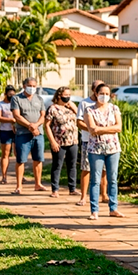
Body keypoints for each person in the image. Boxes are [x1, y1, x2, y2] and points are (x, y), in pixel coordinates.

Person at [84, 83, 124, 220]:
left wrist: (100, 129)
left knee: (112, 178)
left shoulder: (114, 108)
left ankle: (113, 208)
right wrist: (109, 128)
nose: (104, 96)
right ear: (96, 94)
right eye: (102, 93)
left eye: (107, 94)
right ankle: (94, 210)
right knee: (95, 179)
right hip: (95, 149)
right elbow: (91, 129)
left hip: (113, 148)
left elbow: (119, 127)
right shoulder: (89, 110)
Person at [10, 77, 49, 194]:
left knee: (38, 159)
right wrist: (30, 126)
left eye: (34, 86)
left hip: (38, 134)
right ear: (24, 86)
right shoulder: (16, 98)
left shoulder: (39, 99)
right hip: (23, 133)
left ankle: (38, 184)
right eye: (30, 86)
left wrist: (36, 126)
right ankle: (19, 186)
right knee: (21, 160)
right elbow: (17, 116)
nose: (32, 88)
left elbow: (43, 115)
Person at [77, 80, 107, 206]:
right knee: (86, 168)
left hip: (105, 141)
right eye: (99, 90)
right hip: (88, 140)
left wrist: (102, 130)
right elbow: (79, 122)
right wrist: (91, 129)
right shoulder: (84, 103)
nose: (103, 95)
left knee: (104, 170)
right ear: (94, 90)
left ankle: (104, 194)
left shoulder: (108, 105)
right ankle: (83, 196)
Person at [45, 87, 79, 198]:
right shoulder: (53, 108)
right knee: (57, 165)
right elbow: (47, 125)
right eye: (65, 94)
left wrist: (75, 108)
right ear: (59, 95)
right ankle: (55, 189)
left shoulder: (71, 107)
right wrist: (53, 142)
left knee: (72, 165)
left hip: (73, 140)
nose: (68, 97)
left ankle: (72, 188)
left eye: (69, 94)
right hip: (59, 141)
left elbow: (81, 118)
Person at [0, 85, 17, 184]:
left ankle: (21, 176)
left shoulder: (16, 103)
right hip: (5, 131)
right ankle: (4, 176)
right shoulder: (1, 104)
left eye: (13, 94)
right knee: (5, 154)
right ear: (5, 94)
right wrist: (10, 120)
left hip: (17, 131)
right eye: (9, 94)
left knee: (19, 154)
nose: (11, 96)